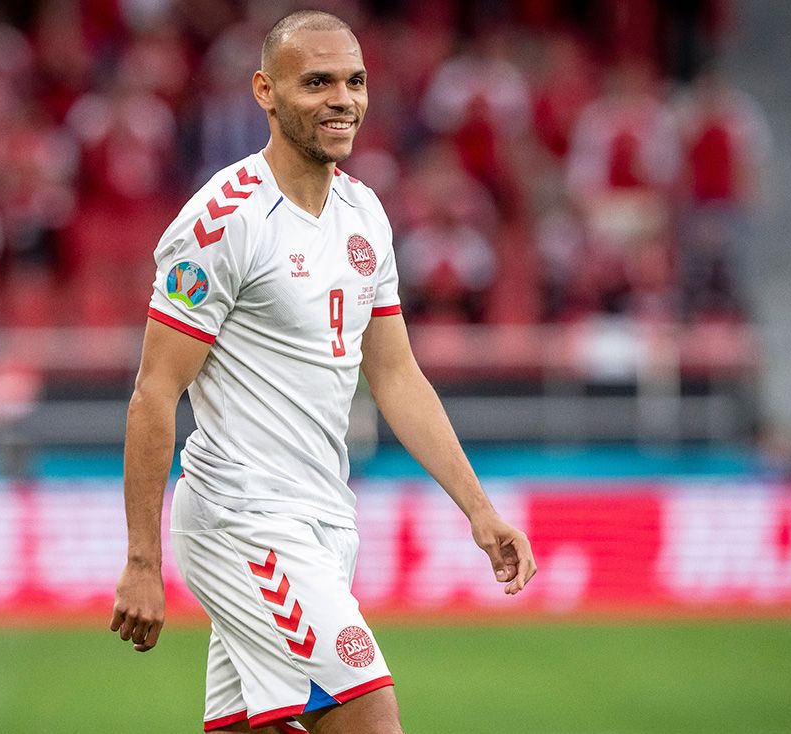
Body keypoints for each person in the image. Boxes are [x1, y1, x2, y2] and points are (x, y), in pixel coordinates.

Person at [110, 11, 536, 734]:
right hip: (246, 520)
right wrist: (143, 560)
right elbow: (156, 391)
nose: (343, 99)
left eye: (355, 81)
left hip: (325, 519)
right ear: (265, 92)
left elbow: (396, 375)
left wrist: (479, 508)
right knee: (372, 721)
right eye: (317, 82)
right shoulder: (222, 221)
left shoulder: (363, 212)